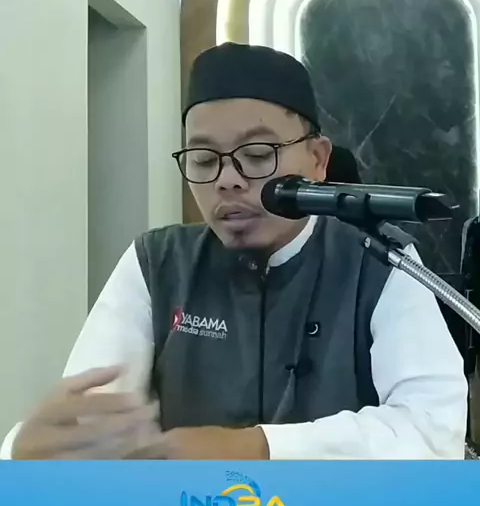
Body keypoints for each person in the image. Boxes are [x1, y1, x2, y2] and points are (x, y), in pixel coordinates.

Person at [1, 43, 468, 460]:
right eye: (204, 160)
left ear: (317, 160)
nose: (227, 179)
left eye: (258, 154)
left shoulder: (381, 259)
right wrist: (26, 450)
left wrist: (256, 447)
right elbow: (89, 423)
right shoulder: (157, 263)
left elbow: (432, 432)